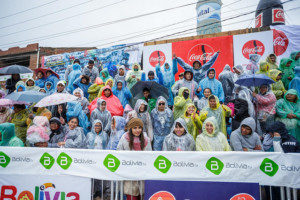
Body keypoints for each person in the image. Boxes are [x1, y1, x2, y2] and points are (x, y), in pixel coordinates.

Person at [117, 118, 152, 200]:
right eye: (135, 128)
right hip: (129, 173)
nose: (137, 130)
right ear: (130, 129)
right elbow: (119, 152)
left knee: (142, 195)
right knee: (131, 196)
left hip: (142, 173)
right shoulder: (124, 138)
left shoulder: (146, 139)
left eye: (139, 128)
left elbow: (150, 155)